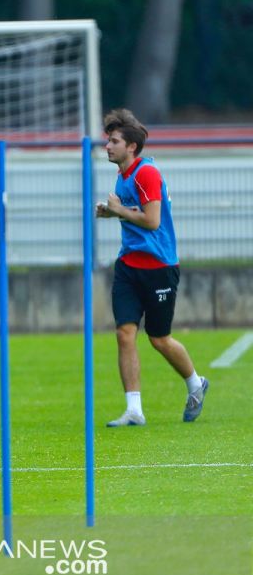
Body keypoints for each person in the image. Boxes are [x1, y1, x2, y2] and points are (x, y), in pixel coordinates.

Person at [95, 108, 207, 426]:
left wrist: (118, 210)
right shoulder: (123, 174)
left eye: (114, 141)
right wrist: (112, 212)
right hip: (129, 266)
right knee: (124, 333)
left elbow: (152, 220)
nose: (108, 146)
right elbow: (135, 213)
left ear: (131, 146)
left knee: (159, 339)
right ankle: (134, 409)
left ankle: (196, 385)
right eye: (108, 140)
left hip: (159, 267)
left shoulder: (146, 173)